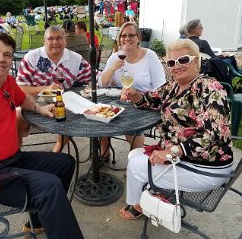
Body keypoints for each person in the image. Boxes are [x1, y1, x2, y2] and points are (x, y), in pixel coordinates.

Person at [0, 32, 84, 238]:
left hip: (12, 160)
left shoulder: (6, 82)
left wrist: (40, 109)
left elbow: (21, 97)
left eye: (7, 55)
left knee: (65, 162)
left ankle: (39, 220)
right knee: (49, 187)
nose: (2, 58)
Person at [118, 39, 233, 219]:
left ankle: (139, 205)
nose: (177, 66)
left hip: (207, 166)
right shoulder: (175, 86)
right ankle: (159, 193)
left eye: (184, 60)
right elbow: (151, 100)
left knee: (135, 164)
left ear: (196, 61)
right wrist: (135, 95)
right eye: (172, 62)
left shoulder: (210, 88)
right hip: (186, 158)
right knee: (134, 155)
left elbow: (212, 135)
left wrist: (172, 151)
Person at [16, 25, 92, 152]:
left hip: (62, 101)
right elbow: (19, 88)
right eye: (50, 39)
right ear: (44, 41)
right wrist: (46, 88)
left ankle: (56, 151)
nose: (55, 42)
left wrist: (113, 70)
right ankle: (15, 152)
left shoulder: (75, 59)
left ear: (65, 41)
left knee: (72, 115)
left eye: (59, 38)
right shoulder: (32, 57)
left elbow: (94, 77)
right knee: (17, 116)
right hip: (32, 101)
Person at [97, 22, 166, 159]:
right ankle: (104, 154)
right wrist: (112, 69)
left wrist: (138, 95)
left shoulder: (149, 56)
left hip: (142, 104)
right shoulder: (115, 57)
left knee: (130, 124)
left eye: (131, 35)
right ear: (119, 39)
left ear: (138, 38)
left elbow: (161, 87)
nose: (127, 38)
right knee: (101, 117)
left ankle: (136, 160)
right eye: (123, 35)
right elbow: (102, 84)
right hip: (118, 101)